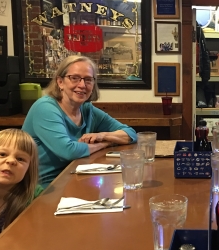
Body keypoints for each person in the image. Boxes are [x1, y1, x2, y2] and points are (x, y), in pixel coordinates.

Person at [22, 55, 137, 188]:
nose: (82, 85)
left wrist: (102, 136)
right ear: (60, 82)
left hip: (75, 178)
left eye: (88, 80)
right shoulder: (45, 108)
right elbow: (68, 151)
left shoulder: (87, 109)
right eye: (74, 78)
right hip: (44, 187)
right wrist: (106, 143)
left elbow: (131, 134)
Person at [0, 129, 42, 250]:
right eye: (2, 154)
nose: (11, 161)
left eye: (21, 159)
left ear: (29, 169)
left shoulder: (35, 198)